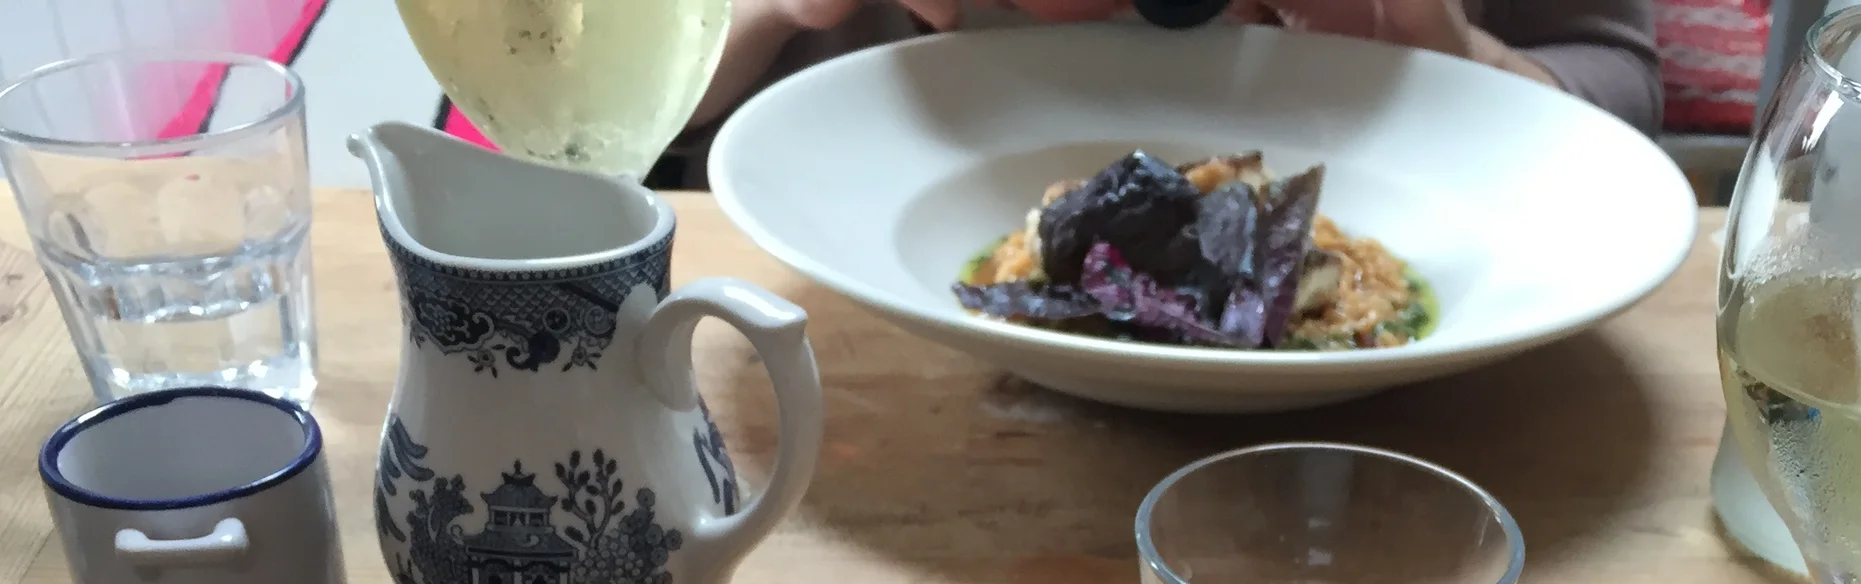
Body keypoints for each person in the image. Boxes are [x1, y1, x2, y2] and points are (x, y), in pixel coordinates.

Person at [659, 0, 1662, 185]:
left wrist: (1453, 57)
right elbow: (514, 122)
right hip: (844, 384)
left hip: (1419, 426)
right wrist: (760, 11)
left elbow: (1619, 94)